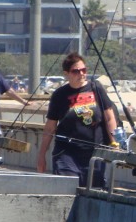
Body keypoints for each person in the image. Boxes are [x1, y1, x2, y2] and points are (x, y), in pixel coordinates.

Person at [36, 52, 117, 187]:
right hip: (66, 154)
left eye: (83, 70)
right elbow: (50, 127)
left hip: (94, 154)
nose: (81, 74)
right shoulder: (59, 95)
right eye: (76, 71)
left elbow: (109, 117)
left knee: (94, 193)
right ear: (66, 73)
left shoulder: (96, 88)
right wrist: (41, 155)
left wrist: (115, 143)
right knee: (68, 189)